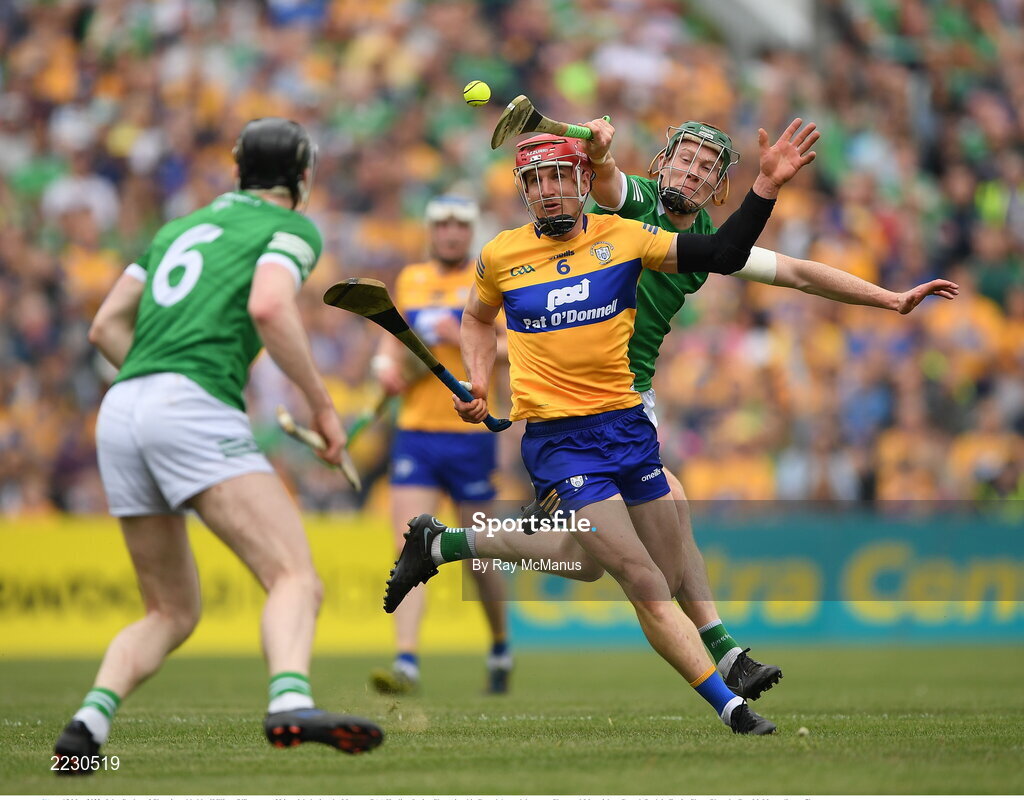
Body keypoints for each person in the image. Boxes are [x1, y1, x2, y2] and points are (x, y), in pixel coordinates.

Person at [383, 118, 821, 736]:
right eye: (537, 181)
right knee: (642, 578)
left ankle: (443, 544)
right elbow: (476, 321)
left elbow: (725, 255)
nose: (550, 190)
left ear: (583, 181)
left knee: (598, 564)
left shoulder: (625, 236)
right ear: (523, 190)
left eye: (562, 176)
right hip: (559, 442)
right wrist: (480, 381)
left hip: (627, 426)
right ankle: (732, 702)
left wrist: (767, 186)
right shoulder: (502, 253)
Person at [512, 118, 960, 701]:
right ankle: (726, 655)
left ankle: (457, 543)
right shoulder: (633, 202)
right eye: (684, 160)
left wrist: (891, 299)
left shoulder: (709, 244)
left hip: (628, 402)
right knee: (662, 511)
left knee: (605, 553)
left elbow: (798, 273)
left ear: (717, 188)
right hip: (574, 403)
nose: (690, 172)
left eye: (705, 168)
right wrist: (598, 152)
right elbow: (605, 178)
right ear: (661, 164)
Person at [53, 118, 384, 774]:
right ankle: (290, 699)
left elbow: (103, 327)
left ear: (238, 170)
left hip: (122, 410)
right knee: (294, 575)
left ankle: (87, 725)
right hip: (190, 405)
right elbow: (268, 306)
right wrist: (322, 406)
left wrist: (154, 386)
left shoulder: (179, 228)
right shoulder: (289, 227)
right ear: (301, 176)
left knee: (171, 610)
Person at [369, 195, 512, 695]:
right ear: (431, 231)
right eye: (442, 225)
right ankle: (406, 661)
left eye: (459, 225)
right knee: (407, 546)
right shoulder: (410, 280)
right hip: (417, 434)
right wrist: (384, 370)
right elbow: (393, 340)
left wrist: (466, 331)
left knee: (480, 559)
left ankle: (499, 645)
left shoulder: (490, 278)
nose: (450, 233)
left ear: (470, 232)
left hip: (471, 435)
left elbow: (518, 347)